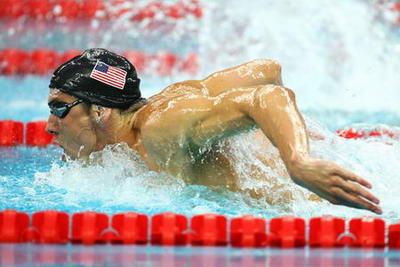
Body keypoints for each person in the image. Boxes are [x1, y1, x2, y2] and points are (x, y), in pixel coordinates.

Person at [46, 48, 382, 214]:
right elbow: (267, 70)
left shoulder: (161, 127)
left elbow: (268, 94)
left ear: (101, 109)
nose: (50, 127)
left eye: (60, 108)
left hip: (330, 208)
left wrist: (298, 161)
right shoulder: (169, 102)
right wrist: (271, 136)